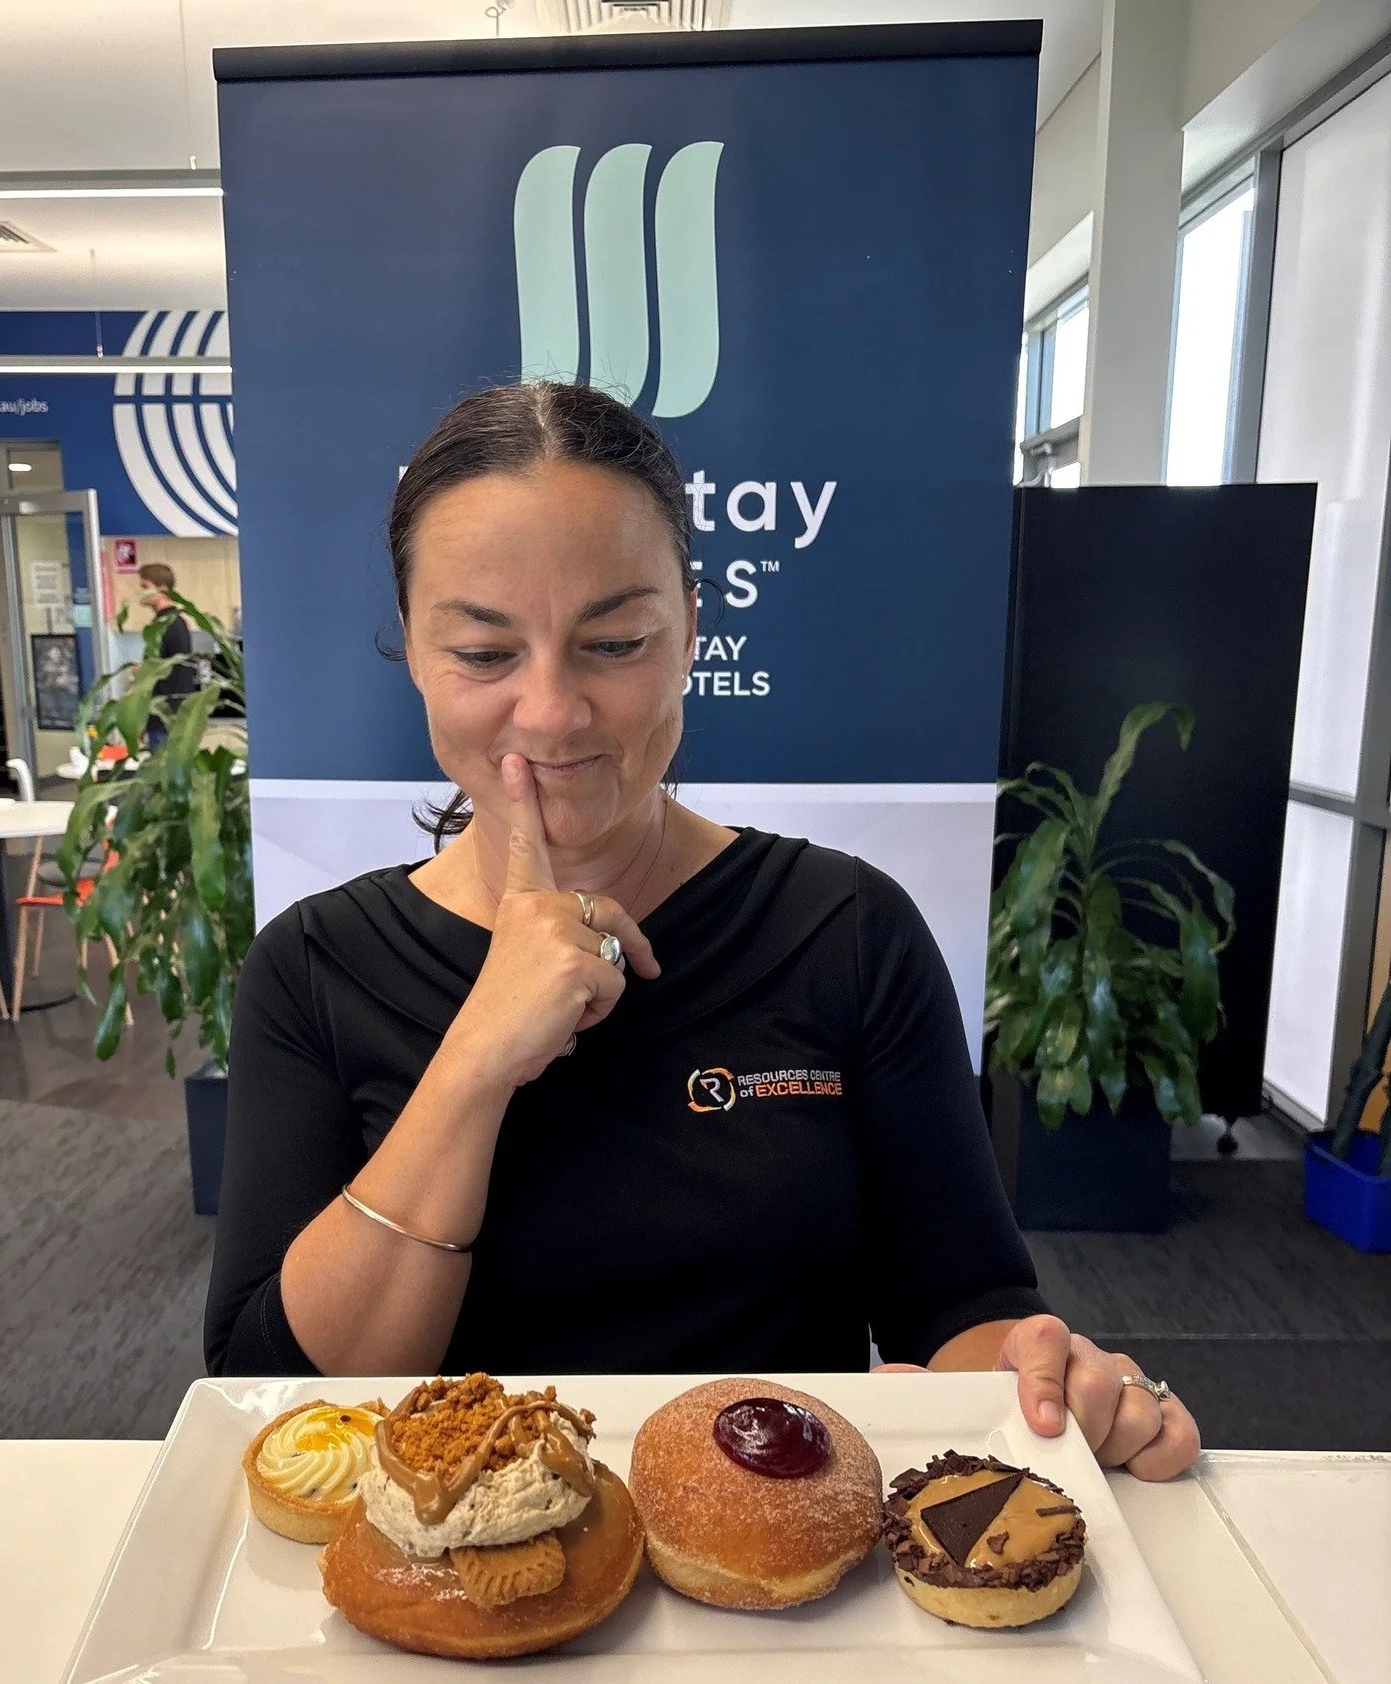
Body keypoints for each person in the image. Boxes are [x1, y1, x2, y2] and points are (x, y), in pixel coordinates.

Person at [205, 383, 1199, 1482]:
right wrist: (477, 1060)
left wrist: (1042, 1376)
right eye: (486, 655)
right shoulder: (313, 969)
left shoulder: (845, 930)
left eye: (616, 642)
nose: (551, 712)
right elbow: (272, 1392)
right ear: (414, 650)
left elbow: (959, 1304)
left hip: (771, 1577)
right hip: (455, 1590)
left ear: (691, 630)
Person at [136, 561, 197, 749]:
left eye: (145, 587)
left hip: (165, 716)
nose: (139, 593)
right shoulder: (173, 623)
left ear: (162, 589)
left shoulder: (168, 625)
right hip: (168, 715)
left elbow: (170, 673)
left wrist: (142, 671)